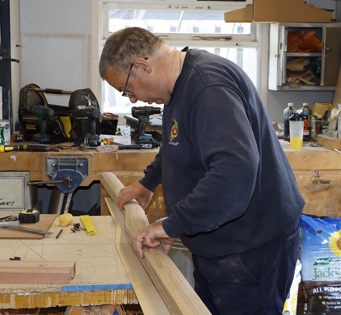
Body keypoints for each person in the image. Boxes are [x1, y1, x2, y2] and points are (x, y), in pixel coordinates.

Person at [99, 27, 305, 315]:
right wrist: (149, 182)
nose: (132, 100)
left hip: (252, 246)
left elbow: (234, 172)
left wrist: (172, 224)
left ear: (142, 66)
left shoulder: (209, 87)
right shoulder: (176, 89)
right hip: (216, 243)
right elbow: (178, 142)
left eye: (127, 90)